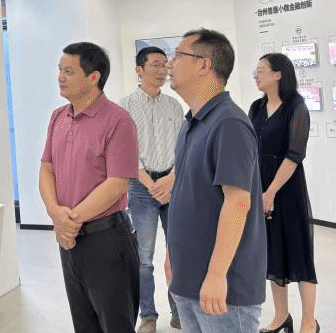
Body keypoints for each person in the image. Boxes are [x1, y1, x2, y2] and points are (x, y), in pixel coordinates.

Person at [164, 29, 266, 333]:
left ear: (203, 64)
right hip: (189, 279)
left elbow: (238, 202)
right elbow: (185, 197)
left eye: (178, 55)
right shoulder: (192, 122)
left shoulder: (229, 123)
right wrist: (172, 257)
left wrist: (217, 274)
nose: (169, 63)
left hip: (224, 290)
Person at [40, 41, 141, 333]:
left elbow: (117, 184)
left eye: (69, 71)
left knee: (115, 325)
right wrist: (56, 214)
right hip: (70, 240)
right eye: (60, 70)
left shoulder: (118, 120)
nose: (60, 77)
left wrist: (69, 221)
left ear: (94, 77)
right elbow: (46, 169)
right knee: (84, 325)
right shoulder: (58, 117)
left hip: (106, 240)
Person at [250, 53, 319, 333]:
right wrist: (258, 191)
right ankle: (281, 316)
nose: (256, 75)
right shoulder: (256, 108)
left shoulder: (297, 108)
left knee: (300, 254)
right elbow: (250, 149)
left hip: (287, 190)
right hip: (260, 187)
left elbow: (294, 156)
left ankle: (308, 322)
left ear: (278, 74)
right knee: (274, 254)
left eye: (261, 70)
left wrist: (271, 192)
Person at [121, 46, 184, 332]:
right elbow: (125, 154)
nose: (162, 70)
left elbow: (183, 148)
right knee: (144, 259)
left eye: (164, 65)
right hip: (140, 188)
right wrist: (151, 184)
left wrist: (171, 179)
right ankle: (148, 315)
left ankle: (179, 312)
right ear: (139, 70)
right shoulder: (124, 108)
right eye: (156, 65)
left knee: (178, 252)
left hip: (173, 186)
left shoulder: (174, 106)